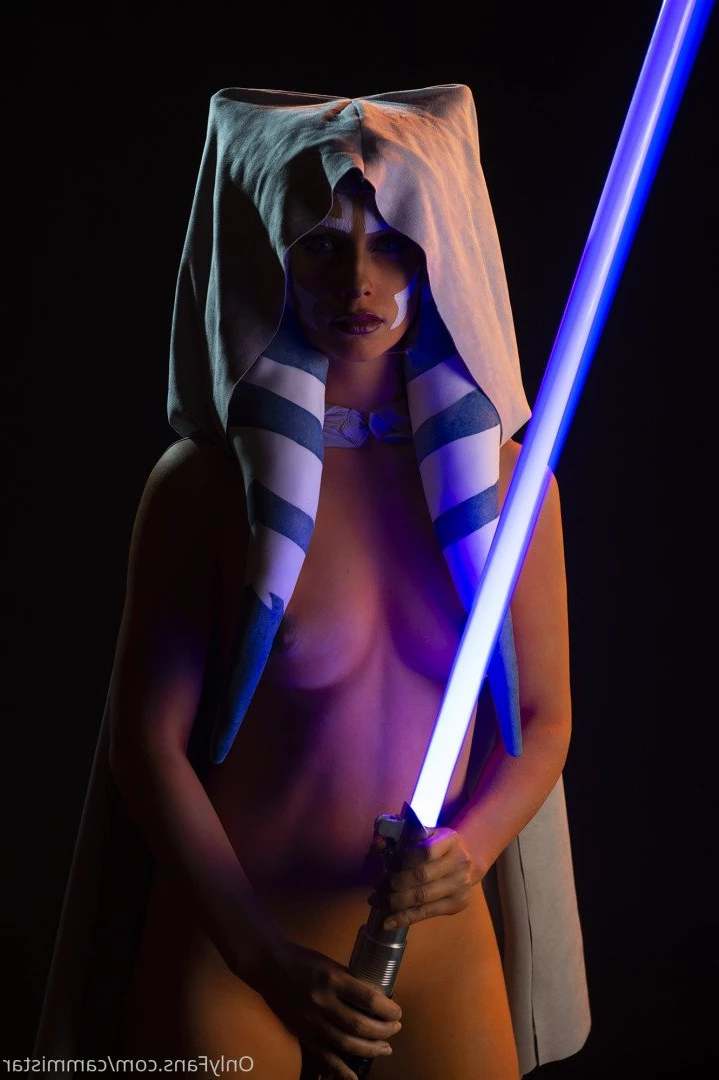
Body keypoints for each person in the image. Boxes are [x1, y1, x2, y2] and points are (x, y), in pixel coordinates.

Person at [34, 84, 590, 1079]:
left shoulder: (515, 490)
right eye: (323, 246)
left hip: (438, 956)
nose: (358, 283)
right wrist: (260, 958)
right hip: (235, 954)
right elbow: (147, 746)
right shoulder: (207, 486)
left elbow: (544, 718)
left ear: (439, 256)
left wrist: (468, 851)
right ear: (271, 251)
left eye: (394, 246)